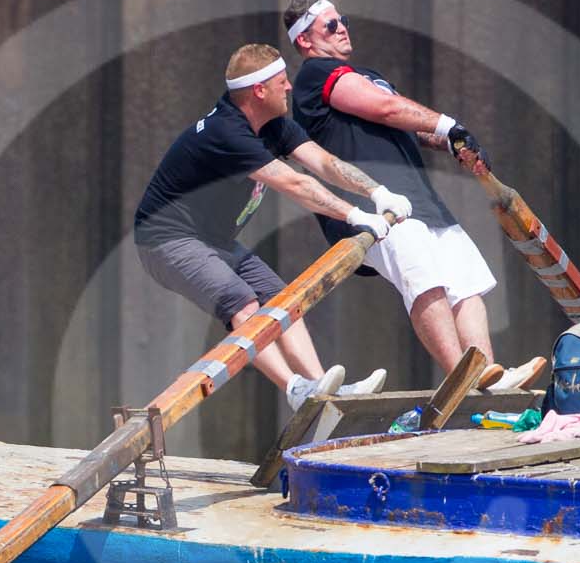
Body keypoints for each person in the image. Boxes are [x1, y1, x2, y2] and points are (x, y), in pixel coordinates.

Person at [283, 0, 546, 392]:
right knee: (425, 278)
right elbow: (385, 109)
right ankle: (462, 377)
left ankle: (488, 377)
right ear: (305, 39)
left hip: (419, 199)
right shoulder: (313, 76)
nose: (343, 30)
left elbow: (403, 121)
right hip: (375, 206)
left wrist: (452, 142)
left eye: (344, 20)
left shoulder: (365, 72)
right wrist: (448, 125)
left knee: (466, 279)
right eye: (331, 25)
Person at [134, 44, 407, 410]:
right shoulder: (226, 132)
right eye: (282, 81)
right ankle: (295, 389)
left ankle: (319, 390)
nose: (290, 88)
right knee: (242, 301)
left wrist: (376, 191)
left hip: (215, 239)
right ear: (259, 90)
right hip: (166, 240)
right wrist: (355, 215)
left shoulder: (274, 125)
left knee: (283, 302)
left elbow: (322, 163)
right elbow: (295, 184)